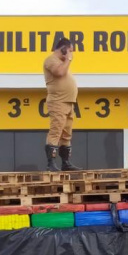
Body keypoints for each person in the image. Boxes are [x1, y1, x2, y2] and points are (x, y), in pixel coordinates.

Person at [43, 38, 80, 172]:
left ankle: (66, 162)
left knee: (66, 134)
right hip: (58, 102)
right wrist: (68, 59)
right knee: (56, 131)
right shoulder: (51, 60)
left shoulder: (62, 63)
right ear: (63, 49)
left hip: (69, 103)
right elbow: (59, 73)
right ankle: (51, 164)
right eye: (70, 50)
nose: (72, 54)